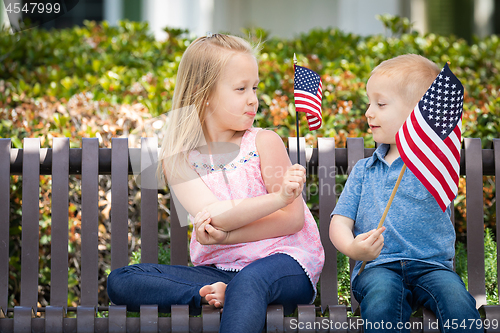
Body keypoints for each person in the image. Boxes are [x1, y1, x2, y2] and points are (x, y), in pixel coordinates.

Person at [107, 33, 324, 333]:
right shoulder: (179, 160)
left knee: (250, 281)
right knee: (122, 280)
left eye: (255, 87)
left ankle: (232, 293)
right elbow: (213, 215)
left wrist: (226, 235)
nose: (253, 98)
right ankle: (209, 295)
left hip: (283, 264)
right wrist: (275, 200)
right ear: (204, 93)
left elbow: (291, 219)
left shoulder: (263, 142)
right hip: (219, 271)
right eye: (240, 89)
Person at [329, 54, 481, 333]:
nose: (368, 112)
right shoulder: (365, 170)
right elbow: (340, 221)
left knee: (459, 305)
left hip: (432, 267)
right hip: (378, 267)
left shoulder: (435, 167)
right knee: (383, 298)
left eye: (381, 104)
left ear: (417, 116)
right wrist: (353, 248)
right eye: (369, 102)